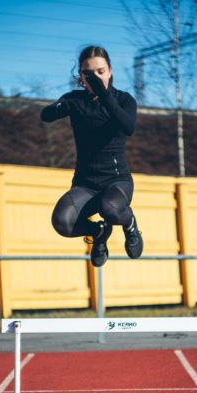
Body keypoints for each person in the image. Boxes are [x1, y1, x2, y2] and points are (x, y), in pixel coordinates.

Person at [41, 45, 143, 267]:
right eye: (89, 73)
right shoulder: (75, 100)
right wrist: (57, 107)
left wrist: (104, 94)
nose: (96, 77)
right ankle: (99, 233)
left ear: (110, 71)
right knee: (62, 222)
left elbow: (129, 127)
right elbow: (46, 115)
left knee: (111, 209)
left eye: (101, 71)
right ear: (81, 76)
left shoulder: (124, 100)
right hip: (86, 184)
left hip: (116, 182)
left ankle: (131, 225)